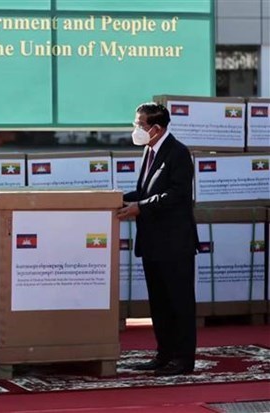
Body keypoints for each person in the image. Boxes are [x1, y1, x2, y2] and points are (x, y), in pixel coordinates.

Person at [117, 103, 198, 376]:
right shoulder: (149, 152)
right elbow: (144, 191)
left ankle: (183, 360)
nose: (135, 129)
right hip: (152, 242)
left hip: (175, 243)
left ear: (156, 128)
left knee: (179, 302)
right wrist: (117, 199)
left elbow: (176, 195)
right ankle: (164, 355)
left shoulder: (178, 153)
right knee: (159, 304)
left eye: (140, 124)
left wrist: (140, 207)